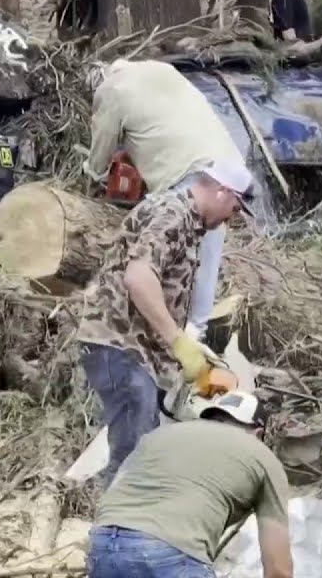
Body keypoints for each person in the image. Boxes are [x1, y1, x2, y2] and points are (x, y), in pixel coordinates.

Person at [75, 158, 256, 487]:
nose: (234, 215)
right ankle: (113, 529)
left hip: (133, 348)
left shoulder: (187, 222)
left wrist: (189, 356)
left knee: (144, 442)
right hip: (116, 342)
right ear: (221, 192)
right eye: (235, 205)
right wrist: (178, 342)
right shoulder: (172, 214)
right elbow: (138, 277)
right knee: (134, 449)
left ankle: (121, 519)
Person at [83, 59, 245, 343]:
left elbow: (101, 151)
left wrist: (90, 183)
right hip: (225, 164)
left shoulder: (110, 89)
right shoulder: (160, 69)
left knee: (165, 268)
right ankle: (197, 333)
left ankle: (169, 342)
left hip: (185, 173)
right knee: (204, 264)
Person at [87, 391, 293, 578]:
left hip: (104, 544)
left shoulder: (159, 435)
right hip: (168, 553)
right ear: (258, 433)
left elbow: (116, 489)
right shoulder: (262, 457)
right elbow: (278, 570)